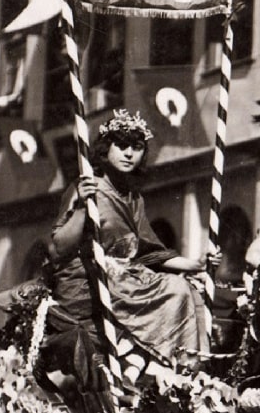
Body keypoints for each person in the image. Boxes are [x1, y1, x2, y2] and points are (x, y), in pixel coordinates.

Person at [45, 110, 209, 360]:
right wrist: (81, 208)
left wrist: (196, 264)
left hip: (128, 276)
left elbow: (149, 252)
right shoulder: (86, 187)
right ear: (105, 150)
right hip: (89, 277)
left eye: (137, 147)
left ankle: (178, 363)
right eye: (121, 146)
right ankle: (140, 357)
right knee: (175, 289)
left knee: (183, 288)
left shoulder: (134, 198)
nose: (129, 154)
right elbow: (60, 247)